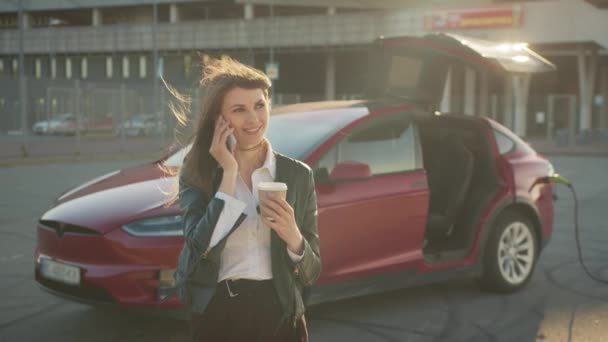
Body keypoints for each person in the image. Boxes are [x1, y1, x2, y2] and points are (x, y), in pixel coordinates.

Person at [171, 56, 321, 342]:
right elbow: (199, 245)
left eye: (259, 105)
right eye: (239, 109)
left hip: (280, 310)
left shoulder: (298, 175)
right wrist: (229, 172)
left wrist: (293, 237)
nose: (253, 118)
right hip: (219, 311)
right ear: (220, 119)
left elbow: (312, 271)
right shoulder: (199, 172)